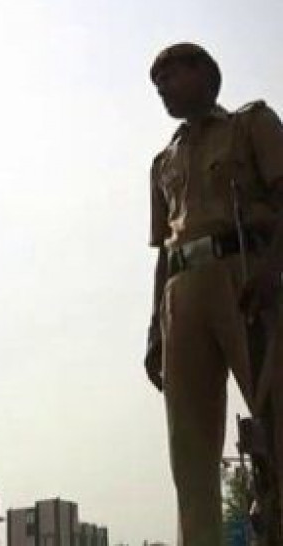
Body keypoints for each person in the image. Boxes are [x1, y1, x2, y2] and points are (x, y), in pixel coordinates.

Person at [145, 42, 283, 545]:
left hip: (243, 277)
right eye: (156, 81)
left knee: (275, 423)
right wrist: (155, 332)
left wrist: (270, 268)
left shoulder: (251, 125)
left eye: (170, 74)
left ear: (204, 73)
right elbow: (164, 251)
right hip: (180, 294)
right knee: (189, 449)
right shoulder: (163, 161)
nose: (161, 87)